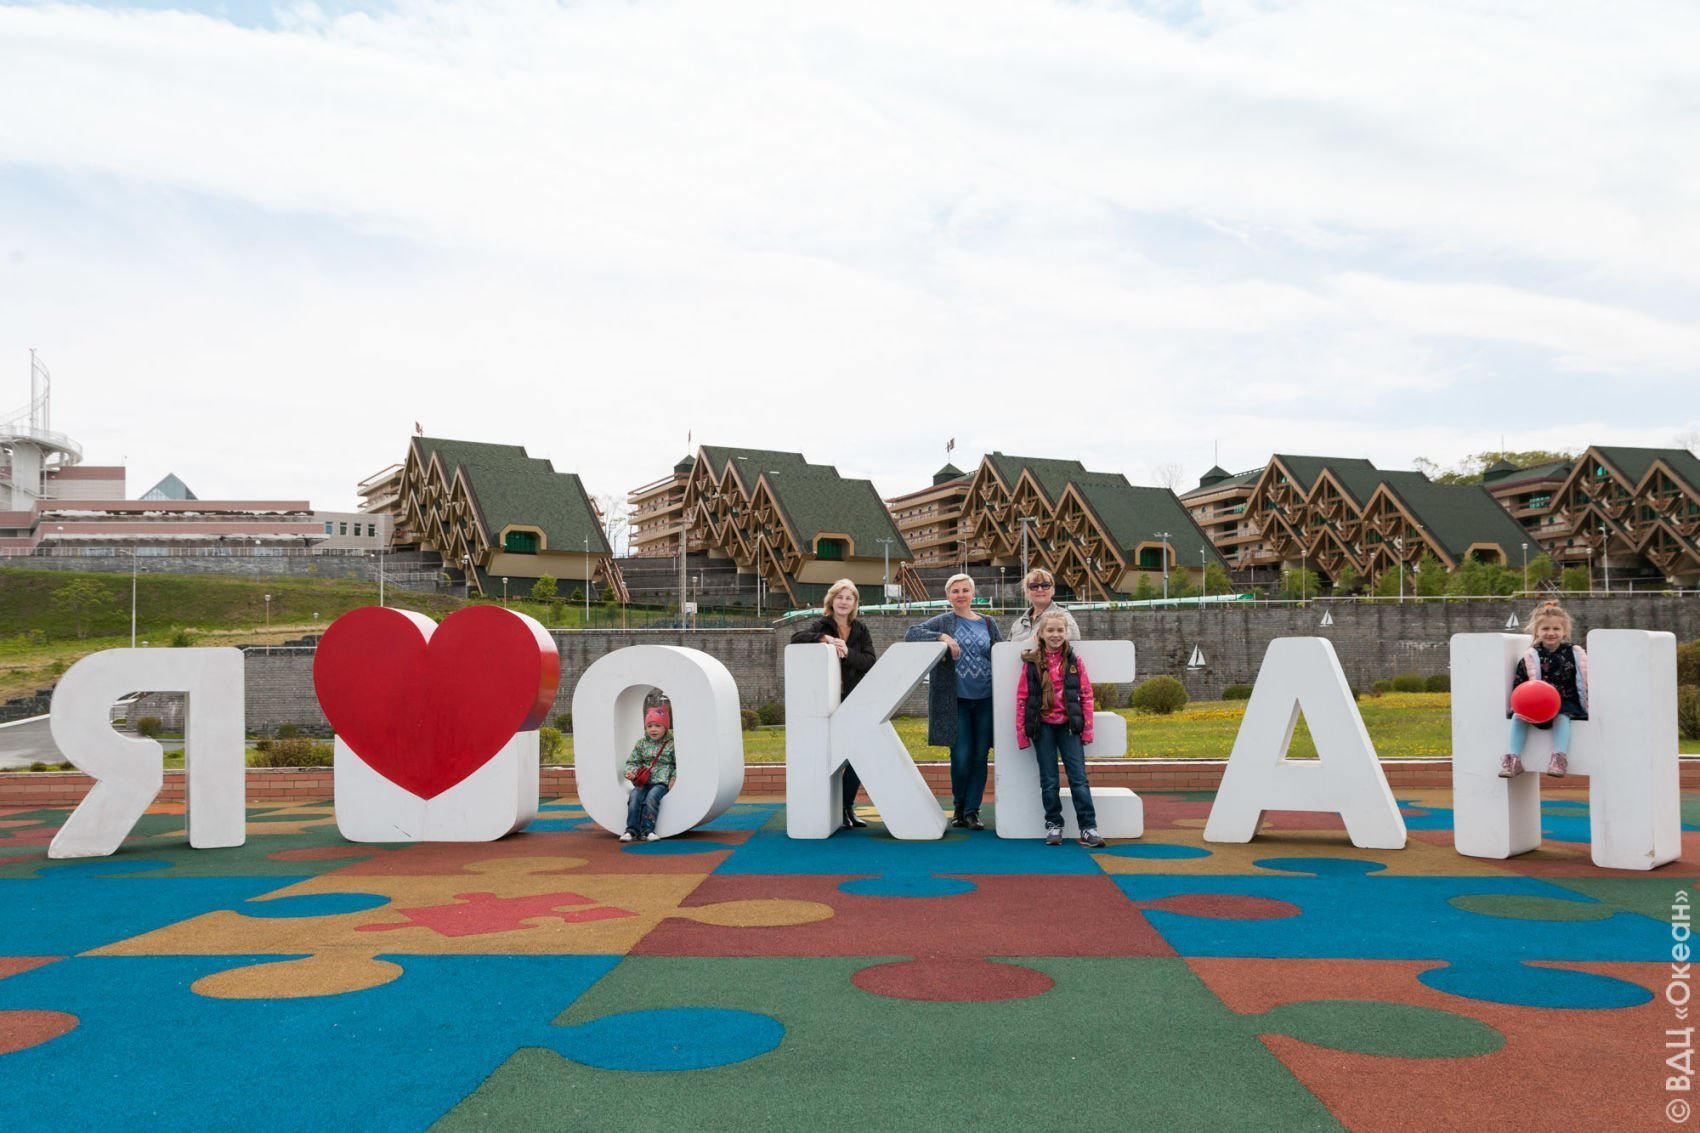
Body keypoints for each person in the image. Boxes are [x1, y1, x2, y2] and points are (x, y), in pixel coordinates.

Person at [905, 572, 1001, 829]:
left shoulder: (988, 623)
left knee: (980, 755)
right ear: (948, 596)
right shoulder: (943, 621)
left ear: (973, 594)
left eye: (965, 590)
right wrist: (943, 637)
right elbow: (911, 633)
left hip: (986, 699)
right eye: (955, 591)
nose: (961, 595)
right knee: (961, 754)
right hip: (955, 700)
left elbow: (1000, 653)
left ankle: (972, 810)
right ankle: (959, 805)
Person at [790, 578, 878, 828]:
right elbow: (796, 638)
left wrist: (848, 652)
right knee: (831, 755)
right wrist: (825, 639)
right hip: (828, 701)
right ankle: (830, 808)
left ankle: (846, 805)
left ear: (854, 603)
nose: (844, 602)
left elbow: (870, 661)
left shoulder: (860, 629)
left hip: (853, 698)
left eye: (849, 598)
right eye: (840, 597)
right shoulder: (822, 625)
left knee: (856, 756)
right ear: (832, 600)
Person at [1015, 609, 1104, 847]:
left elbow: (1086, 695)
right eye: (1050, 630)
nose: (1055, 634)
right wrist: (1022, 734)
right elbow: (1022, 698)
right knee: (1049, 780)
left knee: (1079, 779)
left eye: (1060, 630)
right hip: (1042, 728)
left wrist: (1087, 729)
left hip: (1070, 728)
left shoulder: (1075, 662)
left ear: (1066, 633)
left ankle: (1089, 827)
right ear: (1041, 634)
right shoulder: (1031, 663)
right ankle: (1054, 824)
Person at [1501, 600, 1588, 779]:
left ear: (1564, 631)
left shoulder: (1574, 654)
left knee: (1561, 716)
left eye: (1556, 628)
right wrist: (1518, 706)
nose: (1551, 633)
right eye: (1545, 628)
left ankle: (1559, 758)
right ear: (1537, 631)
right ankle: (1514, 759)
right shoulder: (1530, 657)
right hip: (1538, 705)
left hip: (1565, 703)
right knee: (1518, 717)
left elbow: (1585, 680)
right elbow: (1521, 684)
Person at [622, 706, 677, 842]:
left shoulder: (672, 744)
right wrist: (631, 772)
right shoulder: (641, 743)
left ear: (666, 727)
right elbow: (633, 761)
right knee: (634, 798)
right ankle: (631, 830)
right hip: (643, 781)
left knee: (651, 799)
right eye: (649, 726)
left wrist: (673, 778)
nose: (653, 729)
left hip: (661, 782)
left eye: (658, 726)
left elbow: (678, 764)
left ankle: (648, 830)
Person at [1007, 566, 1081, 644]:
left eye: (1045, 585)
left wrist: (1037, 638)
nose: (1040, 589)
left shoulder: (1063, 615)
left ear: (1053, 590)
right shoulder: (1018, 624)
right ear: (1027, 591)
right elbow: (1007, 648)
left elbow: (1074, 636)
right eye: (1034, 586)